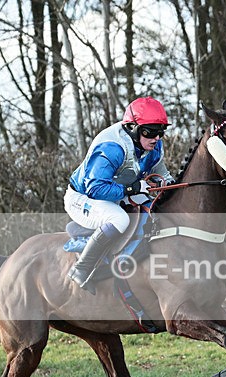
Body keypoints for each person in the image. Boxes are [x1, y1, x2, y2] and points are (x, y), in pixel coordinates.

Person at [64, 96, 174, 290]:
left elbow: (161, 172)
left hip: (118, 190)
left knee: (157, 207)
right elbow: (96, 189)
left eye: (161, 133)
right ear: (133, 128)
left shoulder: (153, 145)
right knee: (119, 219)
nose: (156, 138)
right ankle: (81, 268)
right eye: (150, 132)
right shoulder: (111, 148)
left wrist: (169, 183)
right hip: (84, 198)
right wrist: (132, 188)